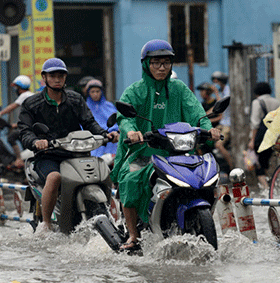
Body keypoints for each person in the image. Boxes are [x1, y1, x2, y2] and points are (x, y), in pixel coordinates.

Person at [110, 40, 220, 252]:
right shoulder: (135, 91)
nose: (162, 67)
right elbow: (124, 117)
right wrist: (132, 131)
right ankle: (133, 235)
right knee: (130, 181)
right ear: (146, 65)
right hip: (142, 151)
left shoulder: (178, 88)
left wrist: (209, 128)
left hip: (176, 151)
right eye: (156, 63)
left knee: (203, 177)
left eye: (166, 63)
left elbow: (196, 112)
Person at [18, 58, 119, 232]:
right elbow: (25, 131)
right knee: (54, 177)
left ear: (65, 78)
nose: (57, 79)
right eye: (53, 75)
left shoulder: (75, 99)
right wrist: (36, 142)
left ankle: (113, 220)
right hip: (49, 155)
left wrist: (105, 134)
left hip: (76, 154)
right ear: (44, 78)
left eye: (61, 75)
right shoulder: (32, 104)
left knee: (101, 173)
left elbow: (89, 122)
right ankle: (47, 224)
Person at [0, 75, 35, 168]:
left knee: (11, 136)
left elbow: (11, 107)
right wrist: (15, 125)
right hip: (32, 126)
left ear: (20, 87)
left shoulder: (25, 95)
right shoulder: (32, 95)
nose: (15, 90)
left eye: (16, 87)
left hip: (30, 128)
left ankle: (19, 159)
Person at [248, 82, 280, 189]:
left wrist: (252, 140)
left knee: (259, 165)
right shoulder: (276, 102)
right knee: (266, 162)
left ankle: (267, 189)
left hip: (261, 138)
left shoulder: (257, 102)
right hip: (275, 136)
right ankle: (272, 186)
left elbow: (255, 123)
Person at [84, 79, 118, 158]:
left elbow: (116, 123)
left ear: (101, 92)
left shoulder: (109, 106)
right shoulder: (84, 107)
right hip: (91, 141)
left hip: (109, 140)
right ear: (88, 93)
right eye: (92, 92)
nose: (95, 94)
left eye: (97, 91)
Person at [211, 71, 233, 170]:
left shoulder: (227, 91)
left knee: (219, 145)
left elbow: (222, 104)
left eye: (216, 81)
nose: (215, 84)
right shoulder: (223, 91)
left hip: (228, 124)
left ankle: (231, 166)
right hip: (223, 122)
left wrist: (216, 92)